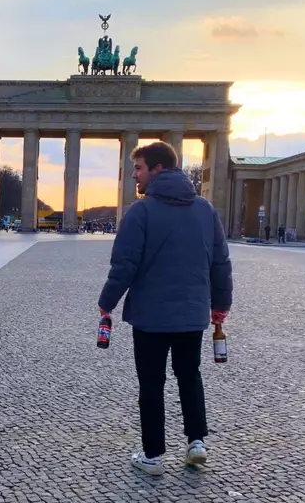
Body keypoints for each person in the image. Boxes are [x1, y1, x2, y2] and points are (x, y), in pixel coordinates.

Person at [97, 141, 233, 476]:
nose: (134, 175)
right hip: (192, 313)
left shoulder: (141, 211)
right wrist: (221, 305)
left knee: (152, 382)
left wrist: (107, 303)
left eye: (139, 168)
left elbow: (124, 264)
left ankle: (154, 455)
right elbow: (220, 262)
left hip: (150, 316)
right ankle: (197, 442)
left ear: (157, 169)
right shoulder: (205, 209)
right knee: (190, 376)